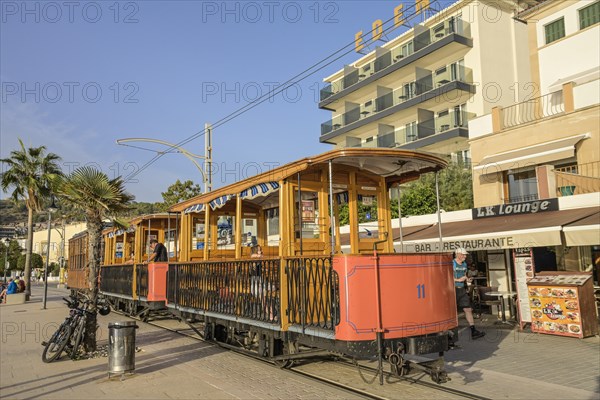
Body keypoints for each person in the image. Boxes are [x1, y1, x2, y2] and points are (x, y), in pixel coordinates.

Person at [453, 248, 485, 340]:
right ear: (458, 254)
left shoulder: (464, 264)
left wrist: (467, 279)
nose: (465, 256)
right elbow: (447, 277)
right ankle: (450, 333)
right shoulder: (452, 264)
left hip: (462, 289)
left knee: (468, 309)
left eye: (465, 255)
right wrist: (458, 280)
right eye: (463, 254)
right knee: (452, 311)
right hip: (452, 289)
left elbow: (465, 275)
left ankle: (473, 331)